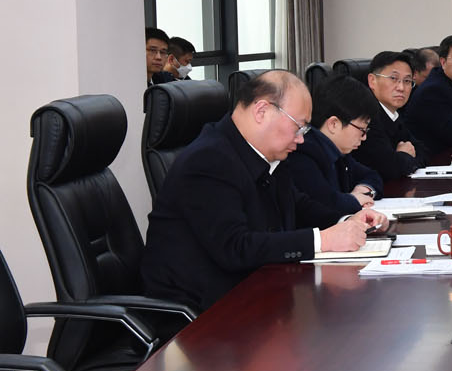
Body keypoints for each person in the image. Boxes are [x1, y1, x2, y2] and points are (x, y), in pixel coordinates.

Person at [141, 70, 384, 312]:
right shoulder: (208, 159)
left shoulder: (265, 154)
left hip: (256, 293)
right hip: (200, 314)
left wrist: (347, 220)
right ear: (262, 111)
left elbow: (297, 205)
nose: (301, 139)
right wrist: (325, 240)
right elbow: (235, 247)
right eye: (298, 127)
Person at [284, 76, 385, 224]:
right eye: (362, 129)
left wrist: (365, 190)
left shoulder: (338, 151)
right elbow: (324, 204)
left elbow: (372, 175)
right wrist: (353, 200)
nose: (364, 137)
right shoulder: (302, 153)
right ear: (333, 124)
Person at [360, 50, 427, 181]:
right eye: (393, 79)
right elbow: (388, 169)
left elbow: (423, 151)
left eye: (407, 81)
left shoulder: (393, 114)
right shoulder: (365, 116)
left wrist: (402, 158)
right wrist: (404, 156)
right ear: (372, 81)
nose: (401, 87)